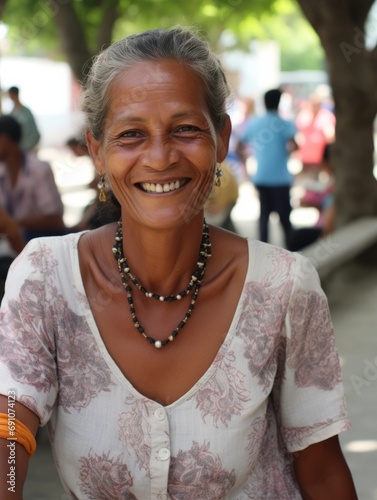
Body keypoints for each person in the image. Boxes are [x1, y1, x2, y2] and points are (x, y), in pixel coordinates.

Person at [0, 28, 357, 499]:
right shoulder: (44, 278)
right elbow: (9, 431)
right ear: (97, 151)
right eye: (131, 134)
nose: (160, 156)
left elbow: (323, 471)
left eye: (185, 129)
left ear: (222, 138)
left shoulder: (283, 287)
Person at [238, 88, 298, 248]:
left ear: (264, 103)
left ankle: (263, 255)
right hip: (281, 178)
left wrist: (245, 166)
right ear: (279, 102)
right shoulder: (285, 123)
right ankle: (293, 253)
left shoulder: (255, 123)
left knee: (264, 217)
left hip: (262, 177)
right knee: (285, 219)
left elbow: (239, 144)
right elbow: (294, 145)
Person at [0, 115, 66, 241]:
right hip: (17, 242)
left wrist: (12, 223)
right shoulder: (2, 173)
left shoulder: (39, 169)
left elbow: (55, 220)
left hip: (46, 243)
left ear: (5, 139)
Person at [8, 86, 41, 153]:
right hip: (18, 150)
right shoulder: (12, 114)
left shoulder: (26, 112)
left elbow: (35, 132)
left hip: (30, 148)